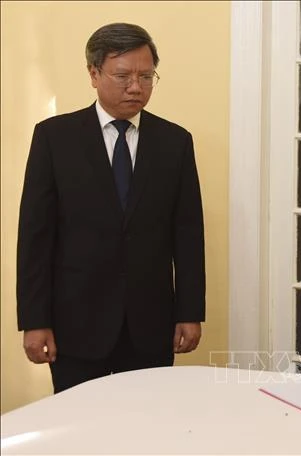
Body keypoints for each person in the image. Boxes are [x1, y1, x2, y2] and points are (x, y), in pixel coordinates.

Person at [16, 23, 206, 393]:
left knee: (148, 426)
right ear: (93, 73)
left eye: (146, 76)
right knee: (77, 431)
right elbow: (35, 237)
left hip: (150, 324)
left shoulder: (175, 142)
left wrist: (189, 312)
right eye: (122, 76)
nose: (136, 87)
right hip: (75, 324)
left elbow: (187, 233)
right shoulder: (54, 138)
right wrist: (35, 320)